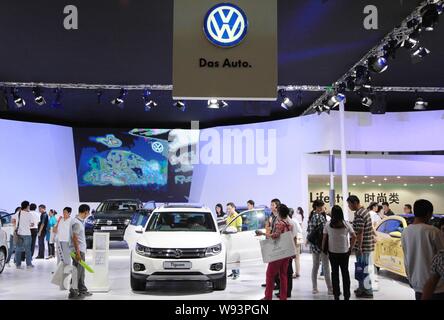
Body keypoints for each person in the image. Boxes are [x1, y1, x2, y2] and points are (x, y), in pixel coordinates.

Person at [401, 199, 444, 300]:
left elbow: (406, 257)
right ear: (429, 213)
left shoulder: (405, 232)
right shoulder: (433, 231)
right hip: (437, 285)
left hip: (416, 283)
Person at [322, 205, 357, 300]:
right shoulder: (346, 224)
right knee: (345, 273)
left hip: (332, 252)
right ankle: (346, 295)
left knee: (335, 273)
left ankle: (336, 295)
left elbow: (324, 238)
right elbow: (354, 236)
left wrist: (323, 250)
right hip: (344, 252)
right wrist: (351, 248)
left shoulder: (328, 224)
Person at [262, 204, 293, 300]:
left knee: (270, 274)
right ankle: (283, 297)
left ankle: (268, 297)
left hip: (278, 252)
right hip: (286, 252)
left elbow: (276, 236)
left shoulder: (279, 223)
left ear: (279, 212)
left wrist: (263, 233)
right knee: (283, 275)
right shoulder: (289, 223)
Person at [347, 195, 375, 298]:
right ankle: (362, 288)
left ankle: (368, 291)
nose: (349, 206)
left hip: (363, 247)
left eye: (349, 204)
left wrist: (356, 247)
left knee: (363, 268)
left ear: (354, 203)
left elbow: (359, 233)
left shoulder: (359, 214)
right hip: (366, 245)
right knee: (362, 268)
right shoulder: (364, 211)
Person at [307, 200, 333, 295]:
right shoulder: (320, 217)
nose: (323, 208)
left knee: (315, 266)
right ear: (318, 207)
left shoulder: (312, 216)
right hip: (322, 244)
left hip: (314, 245)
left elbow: (310, 232)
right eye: (322, 206)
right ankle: (330, 289)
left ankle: (314, 288)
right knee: (326, 266)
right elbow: (325, 232)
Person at [69, 204, 93, 299]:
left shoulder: (78, 221)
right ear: (86, 211)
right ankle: (73, 293)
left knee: (81, 271)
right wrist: (78, 252)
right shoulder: (77, 223)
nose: (89, 214)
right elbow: (74, 238)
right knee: (77, 272)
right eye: (88, 212)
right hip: (77, 251)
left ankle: (82, 290)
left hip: (80, 250)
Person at [258, 199, 281, 290]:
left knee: (276, 265)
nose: (271, 206)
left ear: (277, 206)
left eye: (272, 205)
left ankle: (277, 283)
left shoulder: (279, 217)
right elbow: (268, 226)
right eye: (271, 205)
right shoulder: (271, 216)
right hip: (270, 240)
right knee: (270, 264)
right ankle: (271, 282)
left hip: (276, 242)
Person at [12, 201, 35, 269]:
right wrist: (28, 225)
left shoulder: (18, 213)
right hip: (27, 234)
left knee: (18, 249)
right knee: (28, 250)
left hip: (19, 234)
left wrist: (16, 226)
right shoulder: (29, 214)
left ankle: (18, 264)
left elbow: (13, 220)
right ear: (27, 206)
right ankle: (28, 264)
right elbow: (32, 224)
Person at [226, 202, 242, 279]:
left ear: (233, 208)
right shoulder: (228, 216)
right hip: (229, 238)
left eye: (229, 208)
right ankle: (233, 272)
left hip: (235, 238)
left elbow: (239, 229)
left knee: (235, 256)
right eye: (227, 209)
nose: (228, 210)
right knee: (231, 255)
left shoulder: (237, 217)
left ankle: (237, 273)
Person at [289, 208, 303, 279]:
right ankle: (297, 272)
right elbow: (300, 229)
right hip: (299, 236)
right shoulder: (295, 220)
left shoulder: (291, 221)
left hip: (296, 236)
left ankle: (297, 273)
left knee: (295, 256)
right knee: (297, 257)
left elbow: (294, 232)